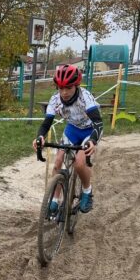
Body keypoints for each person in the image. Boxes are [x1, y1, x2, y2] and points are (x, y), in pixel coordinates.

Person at [32, 64, 103, 213]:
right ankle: (55, 201)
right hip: (72, 129)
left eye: (68, 88)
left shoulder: (85, 97)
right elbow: (46, 123)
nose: (64, 92)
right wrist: (40, 136)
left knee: (79, 163)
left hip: (90, 130)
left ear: (76, 86)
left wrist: (93, 141)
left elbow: (98, 122)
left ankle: (87, 191)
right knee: (58, 162)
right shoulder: (55, 100)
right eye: (60, 88)